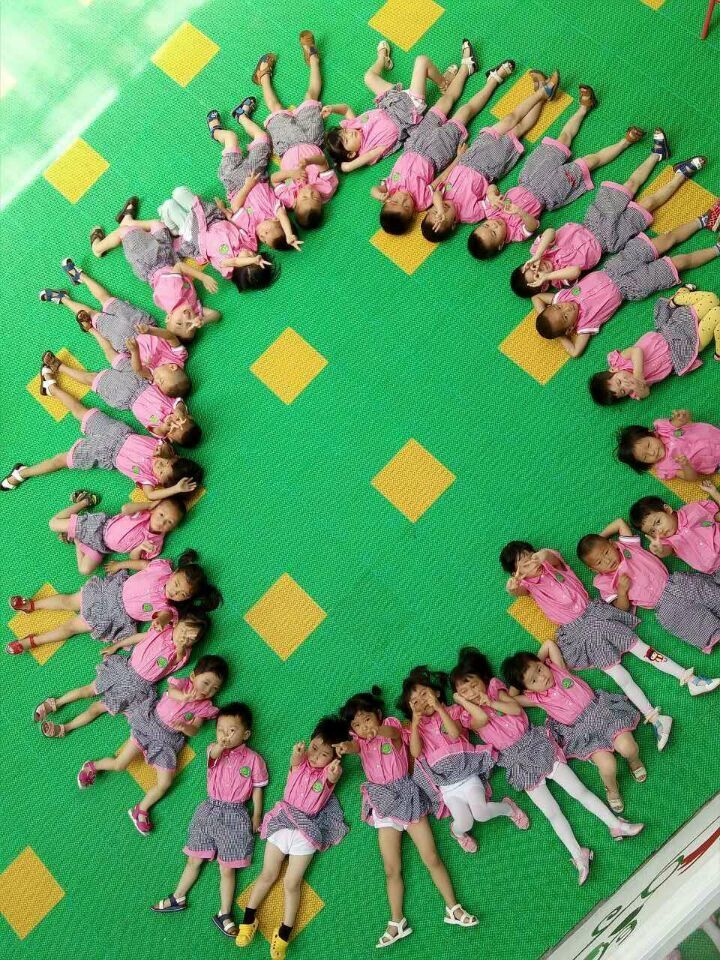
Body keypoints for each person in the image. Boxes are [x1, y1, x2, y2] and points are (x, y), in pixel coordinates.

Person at [449, 647, 644, 886]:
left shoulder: (495, 689)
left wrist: (489, 701)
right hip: (517, 761)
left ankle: (616, 825)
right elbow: (481, 719)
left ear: (483, 679)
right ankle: (578, 855)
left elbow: (515, 709)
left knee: (579, 791)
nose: (470, 692)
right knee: (551, 812)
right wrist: (463, 702)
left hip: (537, 744)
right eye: (463, 691)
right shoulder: (466, 715)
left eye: (472, 685)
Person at [335, 686, 478, 948]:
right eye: (357, 724)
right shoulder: (360, 743)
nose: (364, 727)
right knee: (391, 869)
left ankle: (453, 908)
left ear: (378, 715)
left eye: (367, 719)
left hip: (407, 795)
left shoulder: (391, 726)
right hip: (383, 803)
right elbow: (355, 746)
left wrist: (376, 730)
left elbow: (392, 734)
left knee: (431, 857)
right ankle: (396, 921)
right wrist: (346, 746)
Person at [76, 656, 228, 834]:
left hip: (167, 741)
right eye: (206, 683)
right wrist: (185, 698)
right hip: (149, 725)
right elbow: (171, 692)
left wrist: (185, 727)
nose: (207, 690)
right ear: (193, 676)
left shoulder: (205, 708)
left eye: (214, 688)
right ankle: (93, 766)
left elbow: (195, 730)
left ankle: (141, 809)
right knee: (120, 764)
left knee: (165, 783)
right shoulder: (182, 685)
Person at [152, 702, 267, 938]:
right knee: (194, 859)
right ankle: (178, 896)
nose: (225, 735)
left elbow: (257, 788)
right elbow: (213, 754)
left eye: (232, 730)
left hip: (236, 814)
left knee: (228, 868)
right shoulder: (214, 750)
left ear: (246, 734)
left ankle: (225, 912)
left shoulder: (254, 760)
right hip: (209, 810)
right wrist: (220, 746)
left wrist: (256, 815)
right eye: (220, 730)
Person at [236, 716, 348, 958]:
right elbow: (296, 759)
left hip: (306, 831)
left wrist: (334, 770)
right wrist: (298, 752)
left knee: (292, 883)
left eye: (324, 754)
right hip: (283, 822)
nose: (316, 756)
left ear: (334, 758)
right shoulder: (300, 763)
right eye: (314, 748)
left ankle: (284, 933)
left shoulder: (328, 774)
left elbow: (333, 777)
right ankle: (248, 919)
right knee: (267, 874)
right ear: (310, 742)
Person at [398, 665, 529, 852]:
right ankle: (457, 832)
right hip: (447, 787)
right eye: (415, 701)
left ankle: (508, 808)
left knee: (481, 813)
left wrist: (439, 708)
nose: (422, 701)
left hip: (467, 776)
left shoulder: (453, 712)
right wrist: (415, 722)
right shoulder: (415, 728)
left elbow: (453, 734)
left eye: (424, 694)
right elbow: (415, 753)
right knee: (465, 823)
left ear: (436, 693)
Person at [502, 640, 643, 813]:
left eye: (539, 669)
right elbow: (510, 700)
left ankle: (634, 761)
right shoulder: (536, 699)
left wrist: (535, 664)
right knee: (608, 766)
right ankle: (612, 789)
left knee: (628, 748)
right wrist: (520, 684)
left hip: (603, 714)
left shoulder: (558, 670)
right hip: (582, 732)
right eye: (534, 680)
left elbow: (548, 645)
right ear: (528, 689)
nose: (542, 677)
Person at [577, 517, 720, 657]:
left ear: (612, 544)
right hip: (663, 605)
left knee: (708, 593)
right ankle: (713, 633)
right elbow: (622, 608)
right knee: (690, 620)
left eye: (606, 552)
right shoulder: (605, 583)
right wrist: (622, 592)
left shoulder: (627, 547)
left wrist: (599, 540)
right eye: (599, 562)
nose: (607, 560)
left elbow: (620, 523)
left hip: (675, 582)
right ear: (594, 570)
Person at [588, 285, 720, 404]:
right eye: (623, 391)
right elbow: (645, 393)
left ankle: (678, 299)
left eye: (619, 382)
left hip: (672, 329)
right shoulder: (636, 390)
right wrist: (638, 386)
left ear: (613, 370)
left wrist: (638, 374)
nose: (626, 385)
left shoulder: (620, 361)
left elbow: (636, 351)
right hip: (684, 350)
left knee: (712, 299)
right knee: (716, 313)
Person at [629, 482, 720, 575]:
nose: (659, 530)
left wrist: (714, 492)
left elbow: (717, 515)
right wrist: (659, 550)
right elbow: (666, 551)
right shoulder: (666, 541)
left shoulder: (692, 510)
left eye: (658, 522)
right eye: (652, 531)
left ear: (667, 510)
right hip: (715, 571)